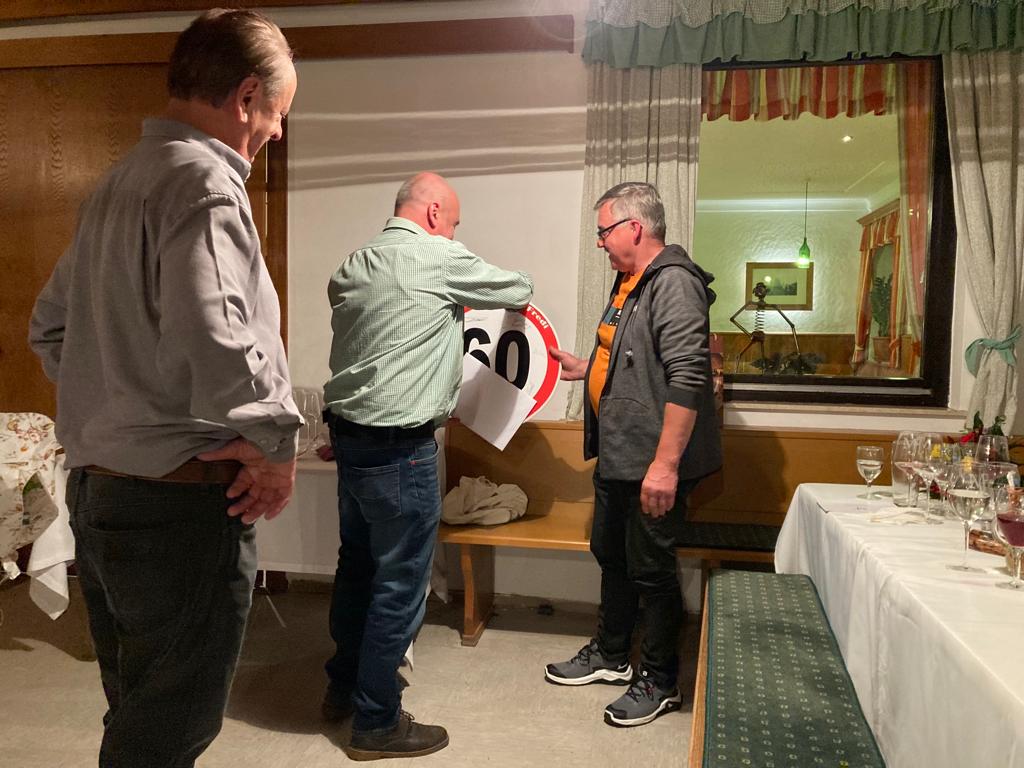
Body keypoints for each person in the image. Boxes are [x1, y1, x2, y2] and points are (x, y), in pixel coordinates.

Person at [28, 10, 300, 767]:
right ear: (247, 97)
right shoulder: (204, 183)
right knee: (170, 725)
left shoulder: (119, 183)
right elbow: (221, 341)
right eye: (279, 112)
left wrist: (119, 403)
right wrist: (276, 446)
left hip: (103, 492)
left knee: (139, 704)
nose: (277, 131)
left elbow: (50, 329)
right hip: (177, 504)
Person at [323, 172, 534, 760]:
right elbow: (519, 287)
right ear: (435, 212)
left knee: (356, 569)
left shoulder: (353, 265)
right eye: (455, 223)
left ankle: (342, 689)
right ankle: (376, 722)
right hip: (402, 449)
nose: (455, 234)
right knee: (399, 585)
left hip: (349, 443)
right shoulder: (437, 257)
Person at [544, 182, 722, 727]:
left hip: (651, 461)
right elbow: (630, 356)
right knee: (612, 554)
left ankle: (661, 680)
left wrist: (665, 467)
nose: (599, 242)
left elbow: (688, 378)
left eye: (603, 231)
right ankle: (613, 654)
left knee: (651, 569)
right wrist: (586, 369)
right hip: (619, 453)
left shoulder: (674, 283)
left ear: (634, 227)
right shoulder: (630, 281)